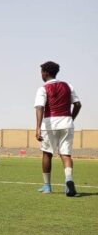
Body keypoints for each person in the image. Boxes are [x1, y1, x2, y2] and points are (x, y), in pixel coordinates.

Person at [34, 61, 81, 196]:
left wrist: (37, 128)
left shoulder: (43, 88)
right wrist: (71, 118)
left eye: (42, 72)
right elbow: (77, 104)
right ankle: (69, 181)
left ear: (46, 73)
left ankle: (47, 186)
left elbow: (40, 107)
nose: (41, 74)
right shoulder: (68, 86)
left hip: (50, 124)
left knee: (47, 153)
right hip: (67, 122)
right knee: (65, 154)